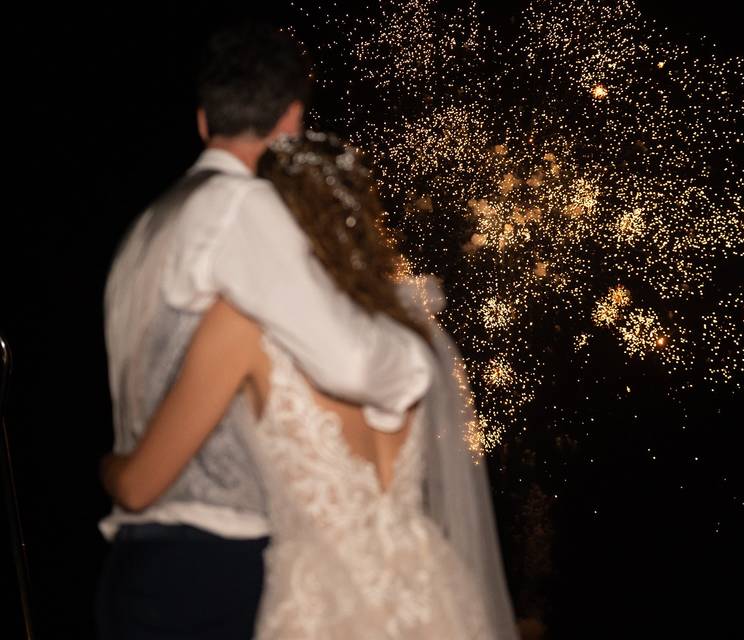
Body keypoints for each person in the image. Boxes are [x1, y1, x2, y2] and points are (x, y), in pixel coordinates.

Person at [103, 132, 518, 638]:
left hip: (324, 603)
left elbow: (138, 485)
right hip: (433, 593)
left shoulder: (243, 327)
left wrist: (110, 463)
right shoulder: (407, 325)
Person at [96, 23, 436, 639]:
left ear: (204, 121)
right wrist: (416, 350)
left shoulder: (145, 227)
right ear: (292, 119)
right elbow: (353, 363)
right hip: (216, 558)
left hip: (138, 558)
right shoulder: (239, 209)